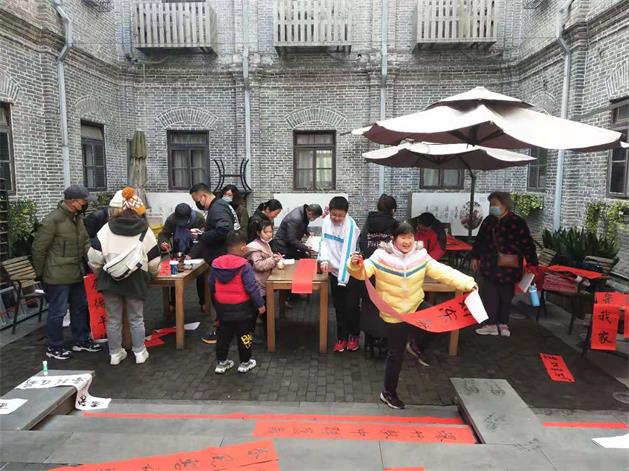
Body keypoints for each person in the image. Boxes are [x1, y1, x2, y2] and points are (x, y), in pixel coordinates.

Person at [348, 222, 477, 410]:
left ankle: (416, 346)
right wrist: (354, 264)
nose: (407, 241)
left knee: (440, 322)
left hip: (415, 305)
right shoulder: (381, 256)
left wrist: (468, 283)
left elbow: (443, 272)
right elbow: (362, 272)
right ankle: (388, 393)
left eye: (410, 237)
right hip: (394, 313)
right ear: (394, 238)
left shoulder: (420, 256)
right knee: (396, 355)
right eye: (403, 237)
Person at [88, 187, 160, 365]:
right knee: (136, 319)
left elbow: (94, 258)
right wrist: (151, 275)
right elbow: (154, 261)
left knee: (113, 320)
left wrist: (100, 274)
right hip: (136, 281)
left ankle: (114, 354)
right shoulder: (145, 230)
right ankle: (139, 352)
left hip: (110, 281)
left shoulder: (106, 229)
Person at [32, 184, 103, 360]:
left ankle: (82, 340)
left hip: (76, 272)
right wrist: (40, 274)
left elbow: (85, 243)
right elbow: (38, 249)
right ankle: (54, 346)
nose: (86, 204)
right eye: (83, 201)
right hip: (56, 276)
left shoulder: (77, 219)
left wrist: (94, 262)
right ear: (72, 201)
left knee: (80, 307)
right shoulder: (52, 220)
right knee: (58, 311)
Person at [471, 192, 538, 338]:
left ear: (505, 204)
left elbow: (527, 244)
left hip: (509, 266)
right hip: (489, 264)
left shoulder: (517, 222)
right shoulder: (489, 221)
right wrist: (475, 257)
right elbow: (480, 240)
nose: (492, 207)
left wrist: (532, 263)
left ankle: (503, 324)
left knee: (506, 296)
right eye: (491, 204)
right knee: (489, 295)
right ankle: (491, 324)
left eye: (495, 204)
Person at [190, 183, 240, 344]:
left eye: (197, 200)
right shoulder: (221, 206)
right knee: (225, 296)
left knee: (219, 297)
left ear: (203, 196)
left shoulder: (217, 208)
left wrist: (202, 236)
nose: (197, 204)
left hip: (221, 260)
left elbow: (223, 230)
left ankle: (221, 330)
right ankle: (227, 327)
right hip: (224, 258)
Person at [211, 230, 266, 374]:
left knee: (223, 337)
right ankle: (244, 362)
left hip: (223, 309)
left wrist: (217, 305)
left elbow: (211, 285)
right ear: (243, 248)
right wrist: (260, 304)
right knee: (245, 336)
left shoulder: (216, 263)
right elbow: (251, 287)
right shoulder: (244, 266)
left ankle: (221, 363)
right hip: (243, 309)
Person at [318, 196, 361, 353]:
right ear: (329, 211)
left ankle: (354, 335)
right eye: (334, 214)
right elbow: (323, 242)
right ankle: (341, 337)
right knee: (339, 307)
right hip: (335, 273)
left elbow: (347, 253)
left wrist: (342, 279)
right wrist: (324, 259)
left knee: (351, 307)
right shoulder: (326, 222)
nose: (336, 218)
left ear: (346, 214)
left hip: (351, 272)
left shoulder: (350, 227)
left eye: (340, 216)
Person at [358, 194, 399, 356]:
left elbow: (362, 243)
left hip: (369, 271)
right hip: (389, 274)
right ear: (393, 209)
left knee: (369, 305)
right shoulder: (396, 226)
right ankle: (385, 342)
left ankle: (369, 342)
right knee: (387, 306)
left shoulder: (368, 223)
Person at [158, 203, 206, 309]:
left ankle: (203, 302)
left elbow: (202, 239)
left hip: (196, 248)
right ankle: (173, 303)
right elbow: (164, 234)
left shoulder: (199, 219)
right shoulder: (171, 219)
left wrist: (191, 255)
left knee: (201, 276)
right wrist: (163, 242)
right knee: (175, 276)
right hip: (179, 248)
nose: (182, 224)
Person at [246, 220, 282, 340]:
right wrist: (273, 260)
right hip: (258, 283)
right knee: (256, 310)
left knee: (264, 308)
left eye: (271, 231)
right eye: (266, 232)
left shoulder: (265, 243)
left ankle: (269, 332)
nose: (269, 234)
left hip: (263, 281)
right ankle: (250, 334)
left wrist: (274, 257)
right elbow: (258, 265)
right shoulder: (255, 247)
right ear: (258, 232)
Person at [358, 194, 399, 258]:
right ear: (393, 209)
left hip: (368, 261)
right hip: (388, 262)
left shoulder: (369, 221)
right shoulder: (395, 225)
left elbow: (362, 242)